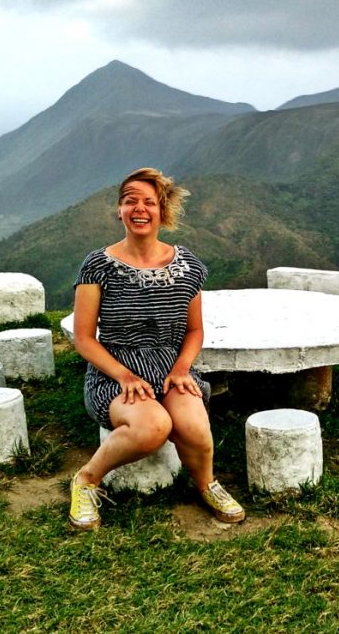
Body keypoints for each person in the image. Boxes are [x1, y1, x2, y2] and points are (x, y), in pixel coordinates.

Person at [69, 167, 245, 530]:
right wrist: (124, 375)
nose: (139, 208)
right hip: (115, 370)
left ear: (162, 212)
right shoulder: (98, 266)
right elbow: (84, 337)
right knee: (153, 427)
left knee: (195, 428)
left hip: (170, 366)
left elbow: (195, 330)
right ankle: (85, 480)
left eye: (149, 202)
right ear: (119, 210)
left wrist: (182, 368)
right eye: (130, 200)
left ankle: (205, 484)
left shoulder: (188, 265)